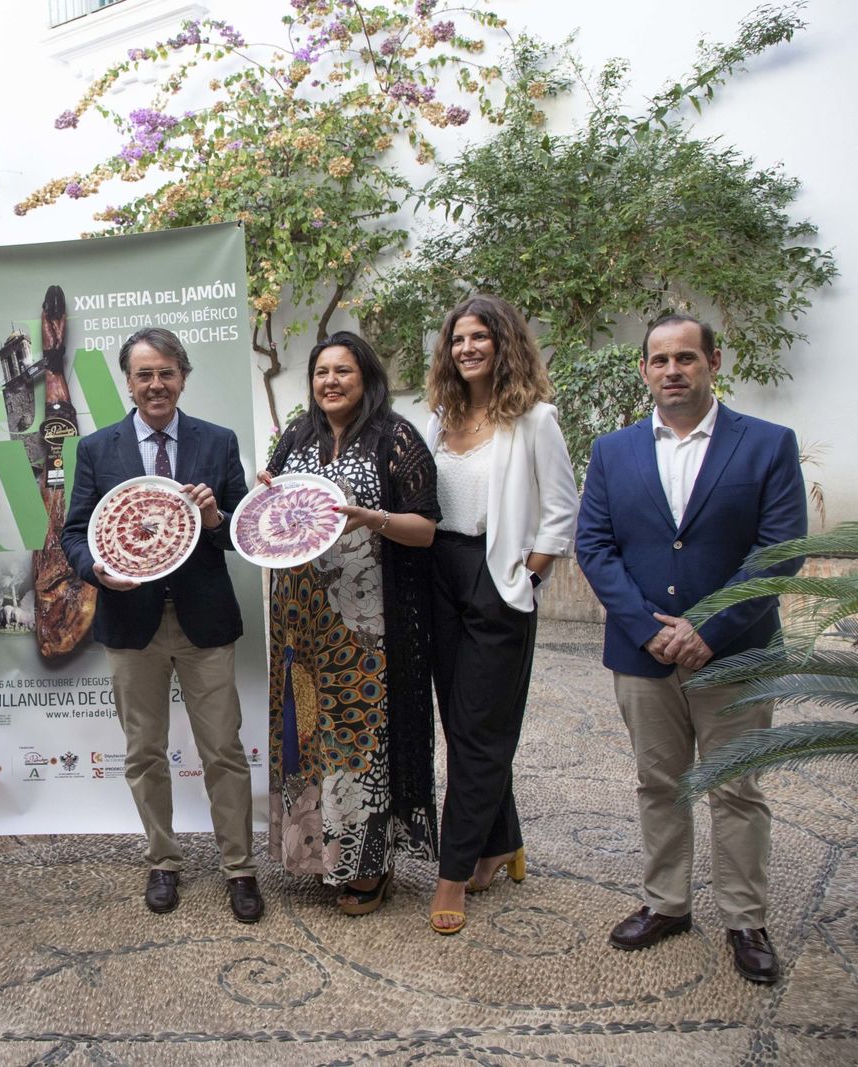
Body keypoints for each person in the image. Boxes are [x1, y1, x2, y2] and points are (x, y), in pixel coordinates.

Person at [577, 313, 806, 984]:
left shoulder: (766, 444)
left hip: (734, 652)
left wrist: (707, 626)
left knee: (736, 789)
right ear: (644, 369)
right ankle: (666, 901)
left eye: (686, 357)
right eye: (659, 359)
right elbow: (594, 545)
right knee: (660, 784)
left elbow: (779, 549)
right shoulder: (612, 450)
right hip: (641, 655)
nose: (672, 369)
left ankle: (744, 916)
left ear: (713, 360)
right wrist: (650, 628)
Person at [60, 326, 264, 924]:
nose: (156, 385)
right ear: (128, 381)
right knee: (144, 751)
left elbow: (240, 534)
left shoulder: (217, 442)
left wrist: (215, 515)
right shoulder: (98, 448)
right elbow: (74, 534)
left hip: (204, 622)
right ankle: (163, 861)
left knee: (223, 749)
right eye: (144, 374)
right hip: (131, 622)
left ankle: (240, 869)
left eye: (166, 373)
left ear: (183, 377)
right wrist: (97, 571)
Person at [260, 331, 440, 918]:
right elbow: (274, 515)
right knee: (307, 735)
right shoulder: (295, 438)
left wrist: (376, 518)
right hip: (299, 624)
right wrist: (266, 497)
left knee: (361, 743)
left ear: (366, 377)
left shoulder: (396, 437)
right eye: (321, 373)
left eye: (343, 371)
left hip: (367, 631)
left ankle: (368, 864)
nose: (330, 382)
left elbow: (427, 528)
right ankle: (316, 853)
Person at [419, 296, 578, 935]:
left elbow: (562, 510)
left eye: (480, 337)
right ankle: (500, 841)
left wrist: (526, 576)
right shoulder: (436, 417)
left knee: (480, 730)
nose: (467, 348)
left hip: (496, 578)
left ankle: (452, 874)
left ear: (503, 343)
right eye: (457, 339)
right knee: (463, 725)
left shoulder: (535, 420)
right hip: (437, 576)